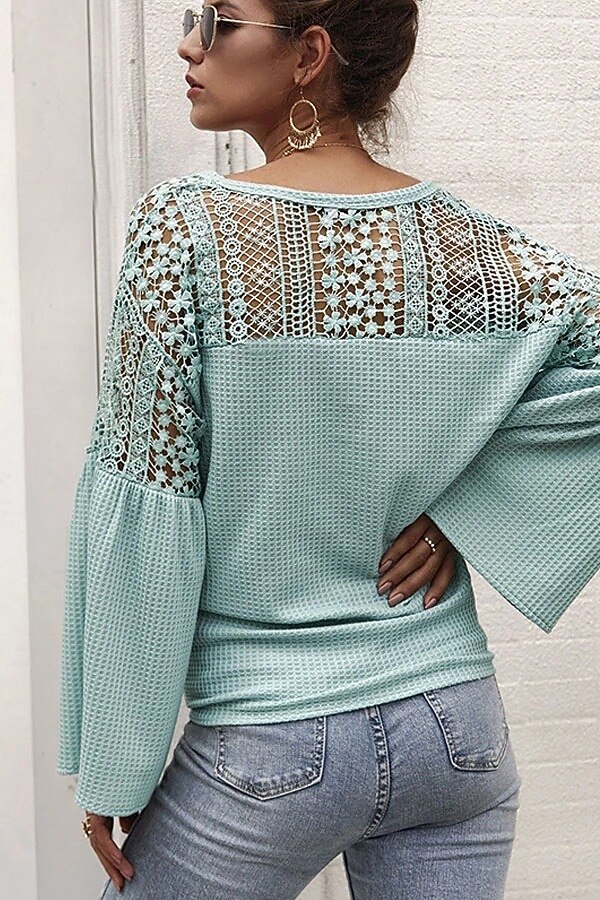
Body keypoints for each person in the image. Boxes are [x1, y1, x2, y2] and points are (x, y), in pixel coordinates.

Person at [56, 2, 600, 897]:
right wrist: (470, 506)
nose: (189, 42)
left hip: (271, 742)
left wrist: (116, 765)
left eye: (218, 20)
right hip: (456, 734)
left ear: (309, 54)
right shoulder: (466, 245)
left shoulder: (185, 232)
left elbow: (149, 504)